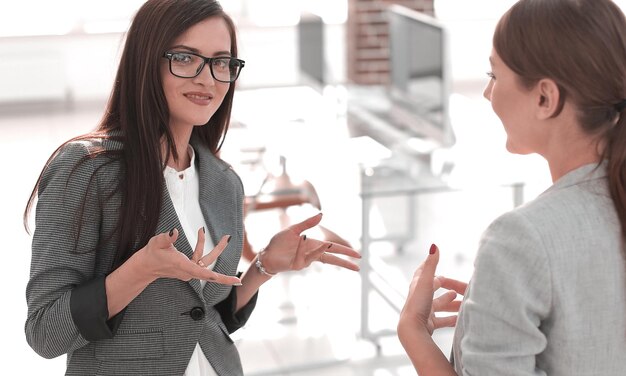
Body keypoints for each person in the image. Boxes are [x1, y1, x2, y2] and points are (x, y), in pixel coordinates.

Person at [23, 1, 360, 375]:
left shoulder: (224, 181)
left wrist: (264, 266)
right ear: (147, 61)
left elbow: (206, 314)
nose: (208, 79)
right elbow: (45, 332)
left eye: (221, 62)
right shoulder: (86, 170)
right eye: (185, 58)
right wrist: (141, 270)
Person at [397, 0, 626, 375]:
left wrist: (413, 332)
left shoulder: (521, 239)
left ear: (544, 98)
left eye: (494, 75)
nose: (488, 94)